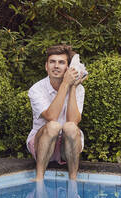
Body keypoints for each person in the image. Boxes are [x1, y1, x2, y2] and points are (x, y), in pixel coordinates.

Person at [27, 44, 87, 181]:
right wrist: (65, 84)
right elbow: (51, 116)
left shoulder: (79, 89)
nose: (56, 66)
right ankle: (39, 177)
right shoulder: (36, 89)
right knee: (53, 126)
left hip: (67, 145)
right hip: (42, 142)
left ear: (68, 67)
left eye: (61, 62)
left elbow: (74, 121)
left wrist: (72, 87)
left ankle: (73, 178)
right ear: (46, 66)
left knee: (70, 127)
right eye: (52, 62)